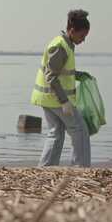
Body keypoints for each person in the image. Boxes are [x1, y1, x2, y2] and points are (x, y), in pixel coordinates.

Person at [31, 9, 92, 167]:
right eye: (82, 36)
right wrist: (65, 102)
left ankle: (46, 169)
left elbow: (61, 71)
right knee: (80, 130)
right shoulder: (60, 46)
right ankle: (81, 169)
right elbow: (51, 76)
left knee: (56, 133)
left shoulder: (65, 43)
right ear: (72, 31)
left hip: (48, 98)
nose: (83, 40)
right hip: (57, 99)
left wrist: (78, 75)